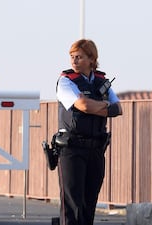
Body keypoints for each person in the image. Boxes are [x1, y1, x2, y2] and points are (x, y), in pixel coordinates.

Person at [56, 39, 122, 225]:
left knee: (89, 203)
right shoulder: (66, 81)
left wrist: (97, 106)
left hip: (96, 150)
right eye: (72, 57)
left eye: (79, 57)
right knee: (72, 206)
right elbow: (83, 105)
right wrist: (103, 106)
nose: (74, 61)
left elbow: (118, 109)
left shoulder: (102, 82)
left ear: (92, 59)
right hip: (72, 149)